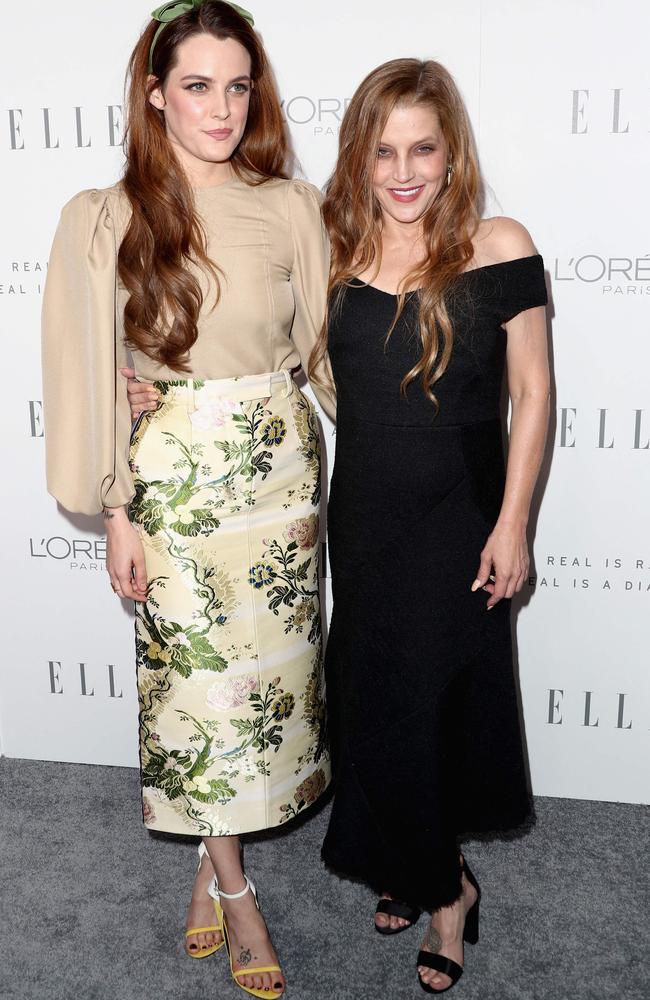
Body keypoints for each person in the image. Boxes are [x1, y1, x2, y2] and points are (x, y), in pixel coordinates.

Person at [126, 56, 550, 995]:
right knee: (378, 699)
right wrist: (150, 367)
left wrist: (514, 523)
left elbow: (534, 392)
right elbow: (242, 318)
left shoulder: (500, 244)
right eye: (383, 151)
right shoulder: (334, 251)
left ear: (452, 154)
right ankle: (415, 859)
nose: (404, 171)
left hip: (464, 518)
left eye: (423, 149)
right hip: (361, 522)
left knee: (442, 700)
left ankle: (448, 897)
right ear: (358, 159)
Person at [41, 3, 335, 998]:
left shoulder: (292, 205)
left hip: (279, 482)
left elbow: (332, 354)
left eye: (237, 84)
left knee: (268, 695)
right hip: (171, 487)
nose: (220, 106)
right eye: (197, 84)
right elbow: (89, 370)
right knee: (194, 698)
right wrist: (115, 507)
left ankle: (208, 874)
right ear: (155, 92)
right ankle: (237, 891)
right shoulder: (102, 216)